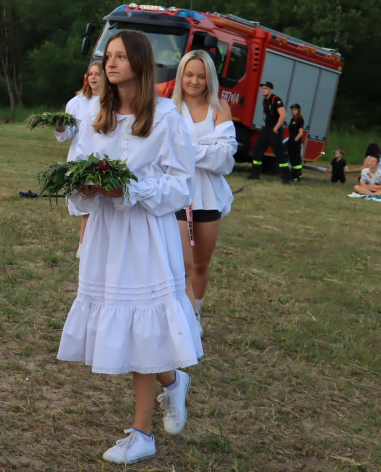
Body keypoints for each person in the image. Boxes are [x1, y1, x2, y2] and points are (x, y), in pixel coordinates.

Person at [59, 29, 201, 466]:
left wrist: (131, 189)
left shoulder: (164, 117)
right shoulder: (94, 116)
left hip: (144, 235)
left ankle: (142, 433)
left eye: (120, 56)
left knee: (143, 329)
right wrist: (85, 188)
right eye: (108, 56)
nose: (109, 63)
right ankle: (172, 381)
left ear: (139, 63)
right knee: (128, 330)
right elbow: (74, 173)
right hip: (106, 234)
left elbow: (181, 184)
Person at [171, 50, 236, 336]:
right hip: (175, 194)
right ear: (180, 76)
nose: (194, 81)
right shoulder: (167, 109)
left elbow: (225, 157)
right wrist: (207, 147)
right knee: (181, 263)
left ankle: (194, 315)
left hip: (208, 195)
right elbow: (162, 151)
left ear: (209, 78)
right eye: (189, 74)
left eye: (200, 76)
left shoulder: (220, 108)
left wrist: (185, 149)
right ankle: (177, 319)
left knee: (200, 264)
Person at [55, 61, 102, 250]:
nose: (93, 77)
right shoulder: (76, 103)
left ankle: (97, 249)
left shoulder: (113, 101)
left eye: (97, 74)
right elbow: (67, 133)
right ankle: (84, 250)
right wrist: (60, 127)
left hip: (105, 161)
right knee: (89, 210)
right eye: (90, 73)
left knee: (103, 210)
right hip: (82, 160)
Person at [247, 81, 290, 184]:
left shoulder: (276, 100)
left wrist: (276, 128)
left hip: (275, 131)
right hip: (266, 131)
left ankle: (286, 178)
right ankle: (255, 174)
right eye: (263, 88)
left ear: (271, 90)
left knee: (279, 154)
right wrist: (266, 124)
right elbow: (269, 115)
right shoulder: (264, 101)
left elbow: (283, 115)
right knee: (257, 151)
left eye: (266, 88)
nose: (263, 90)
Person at [284, 103, 306, 181]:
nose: (293, 111)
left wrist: (294, 140)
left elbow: (300, 133)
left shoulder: (300, 119)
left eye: (295, 109)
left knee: (296, 159)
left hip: (296, 142)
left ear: (298, 110)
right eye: (292, 109)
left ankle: (298, 175)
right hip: (291, 140)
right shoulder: (292, 119)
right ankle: (293, 174)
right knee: (291, 158)